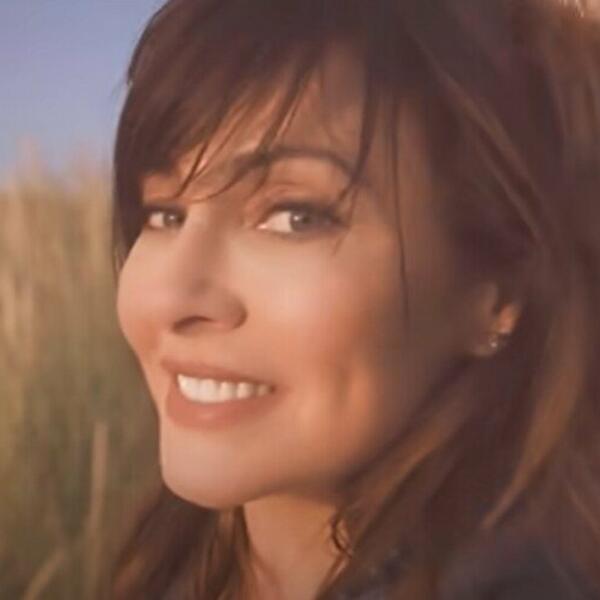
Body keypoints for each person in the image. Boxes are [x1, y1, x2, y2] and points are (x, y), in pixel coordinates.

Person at [110, 0, 600, 598]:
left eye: (294, 216)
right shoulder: (169, 564)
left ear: (498, 292)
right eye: (165, 214)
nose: (171, 298)